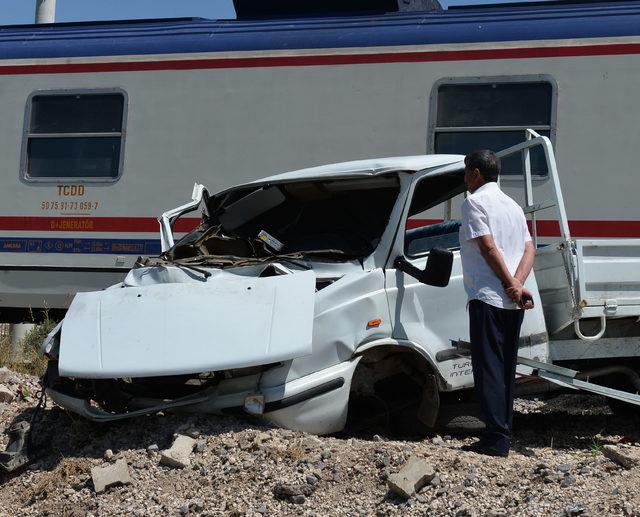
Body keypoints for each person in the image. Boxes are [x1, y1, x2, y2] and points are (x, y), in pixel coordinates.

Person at [458, 149, 536, 458]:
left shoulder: (474, 203)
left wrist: (507, 284)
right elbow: (530, 249)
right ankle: (502, 434)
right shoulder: (513, 206)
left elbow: (488, 248)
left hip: (488, 296)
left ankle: (495, 440)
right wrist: (518, 285)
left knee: (488, 367)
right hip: (511, 301)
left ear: (475, 173)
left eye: (466, 172)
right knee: (505, 369)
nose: (465, 178)